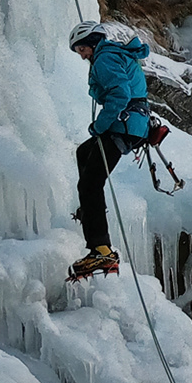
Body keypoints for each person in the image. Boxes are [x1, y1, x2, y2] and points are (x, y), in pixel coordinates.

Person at [65, 20, 153, 280]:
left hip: (121, 125)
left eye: (81, 49)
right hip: (133, 125)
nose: (81, 56)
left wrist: (100, 125)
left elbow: (120, 94)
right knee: (85, 153)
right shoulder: (112, 54)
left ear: (92, 42)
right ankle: (90, 211)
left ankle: (101, 249)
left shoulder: (104, 59)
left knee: (90, 184)